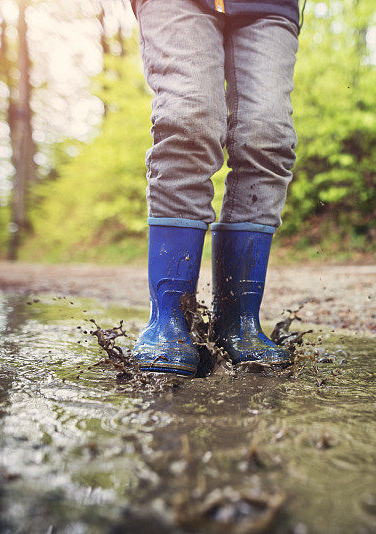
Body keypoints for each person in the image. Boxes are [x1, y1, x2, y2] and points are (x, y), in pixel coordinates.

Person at [129, 0, 301, 376]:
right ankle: (169, 319)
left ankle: (238, 322)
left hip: (269, 5)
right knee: (188, 121)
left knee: (267, 136)